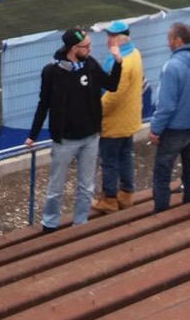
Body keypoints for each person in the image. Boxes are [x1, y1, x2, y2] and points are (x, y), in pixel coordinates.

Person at [27, 27, 123, 232]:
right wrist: (32, 135)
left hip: (91, 137)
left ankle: (80, 223)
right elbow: (44, 104)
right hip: (65, 140)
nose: (90, 49)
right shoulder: (52, 72)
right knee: (55, 187)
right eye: (86, 46)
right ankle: (50, 224)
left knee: (86, 186)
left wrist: (118, 62)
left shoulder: (90, 64)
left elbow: (112, 85)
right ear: (73, 48)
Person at [148, 23, 190, 211]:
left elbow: (166, 105)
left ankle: (161, 213)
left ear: (177, 40)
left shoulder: (172, 67)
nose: (168, 43)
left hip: (173, 130)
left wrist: (155, 129)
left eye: (169, 39)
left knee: (162, 174)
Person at [93, 20, 142, 214]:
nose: (108, 39)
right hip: (128, 120)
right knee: (125, 157)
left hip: (115, 122)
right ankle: (126, 194)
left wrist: (96, 112)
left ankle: (110, 199)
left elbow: (113, 95)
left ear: (120, 39)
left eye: (111, 36)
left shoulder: (122, 62)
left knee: (109, 161)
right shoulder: (135, 53)